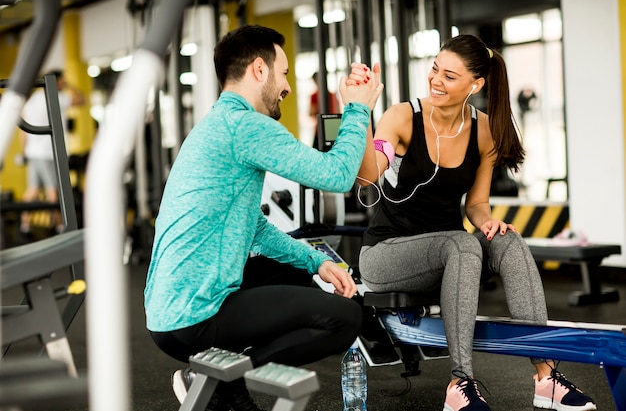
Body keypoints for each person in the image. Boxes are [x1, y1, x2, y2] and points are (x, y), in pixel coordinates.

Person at [349, 34, 596, 411]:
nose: (435, 80)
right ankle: (460, 382)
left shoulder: (483, 131)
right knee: (461, 243)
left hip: (450, 255)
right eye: (434, 69)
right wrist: (360, 111)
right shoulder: (401, 117)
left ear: (476, 84)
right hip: (386, 256)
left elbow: (476, 204)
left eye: (449, 76)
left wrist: (488, 222)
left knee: (508, 240)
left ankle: (547, 377)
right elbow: (368, 178)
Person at [143, 25, 383, 411]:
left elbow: (252, 227)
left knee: (294, 275)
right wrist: (358, 107)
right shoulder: (246, 126)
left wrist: (317, 261)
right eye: (284, 72)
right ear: (259, 70)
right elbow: (336, 175)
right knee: (344, 318)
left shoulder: (216, 124)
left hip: (170, 309)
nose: (287, 85)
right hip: (192, 317)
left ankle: (226, 391)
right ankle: (216, 377)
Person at [19, 69, 85, 238]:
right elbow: (81, 100)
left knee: (33, 189)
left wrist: (23, 151)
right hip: (48, 152)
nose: (63, 85)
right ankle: (61, 227)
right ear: (56, 82)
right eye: (62, 82)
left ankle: (24, 226)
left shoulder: (33, 99)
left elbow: (22, 131)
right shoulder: (55, 97)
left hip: (33, 152)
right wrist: (69, 85)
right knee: (52, 191)